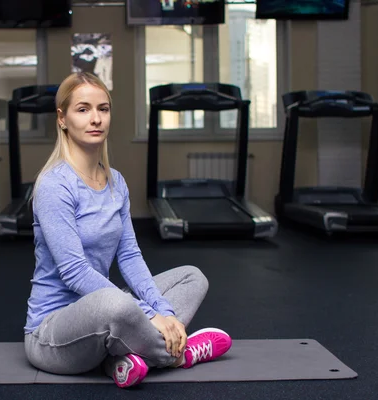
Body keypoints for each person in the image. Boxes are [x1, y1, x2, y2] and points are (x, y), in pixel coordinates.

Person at [23, 72, 232, 388]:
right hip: (52, 336)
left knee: (192, 277)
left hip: (105, 317)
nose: (96, 119)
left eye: (103, 109)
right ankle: (179, 354)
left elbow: (130, 256)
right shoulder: (54, 185)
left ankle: (120, 359)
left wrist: (164, 312)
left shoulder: (116, 182)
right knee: (117, 303)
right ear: (63, 118)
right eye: (83, 109)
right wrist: (150, 316)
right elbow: (74, 271)